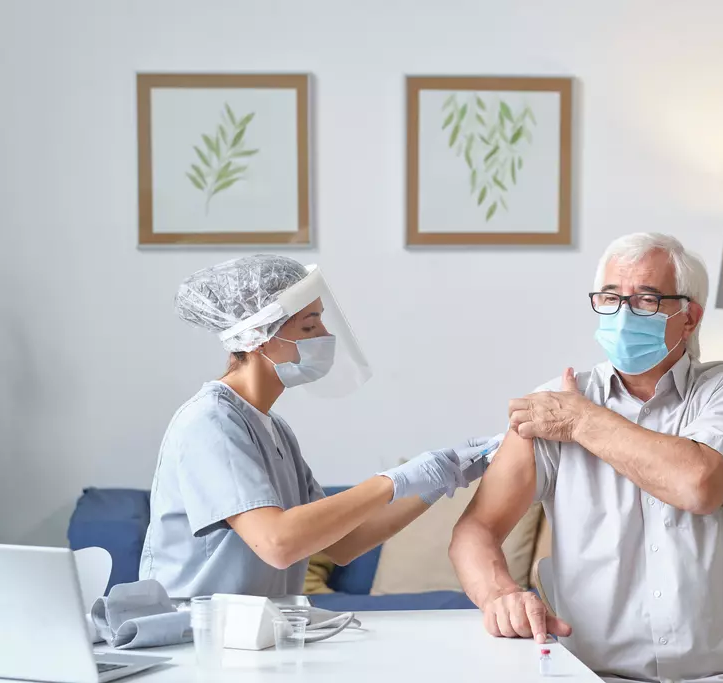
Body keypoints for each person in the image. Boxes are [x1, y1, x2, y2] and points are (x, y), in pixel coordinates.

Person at [449, 233, 723, 683]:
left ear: (689, 317)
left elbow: (698, 485)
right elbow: (475, 529)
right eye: (611, 297)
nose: (623, 314)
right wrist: (501, 595)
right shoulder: (552, 406)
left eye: (647, 300)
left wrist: (582, 422)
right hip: (597, 676)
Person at [140, 254, 499, 598]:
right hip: (193, 639)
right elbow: (278, 543)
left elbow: (344, 543)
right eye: (309, 325)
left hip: (249, 637)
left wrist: (441, 478)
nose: (325, 335)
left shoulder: (274, 430)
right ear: (258, 337)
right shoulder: (211, 423)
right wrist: (393, 480)